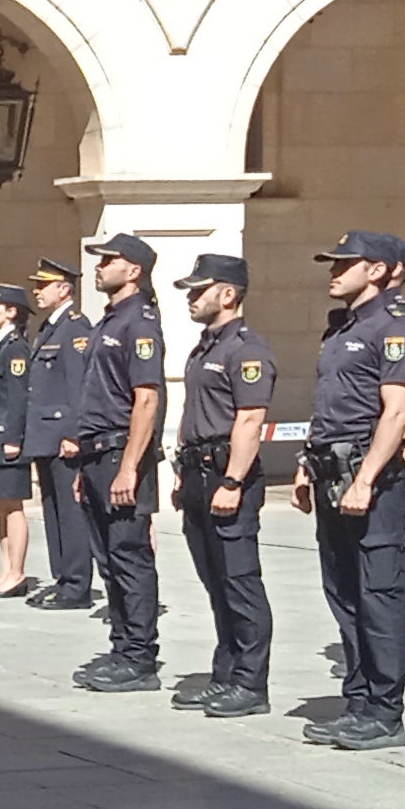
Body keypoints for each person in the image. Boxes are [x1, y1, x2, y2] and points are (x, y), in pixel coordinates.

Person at [292, 232, 405, 747]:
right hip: (330, 471)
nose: (333, 272)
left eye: (344, 263)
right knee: (343, 591)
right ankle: (358, 699)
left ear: (375, 270)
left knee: (379, 593)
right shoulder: (343, 327)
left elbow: (395, 410)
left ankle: (385, 712)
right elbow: (329, 406)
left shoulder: (393, 327)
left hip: (368, 477)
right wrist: (307, 463)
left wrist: (366, 478)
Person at [171, 252, 276, 716]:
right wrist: (179, 468)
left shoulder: (246, 349)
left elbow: (250, 419)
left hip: (225, 473)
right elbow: (192, 413)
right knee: (215, 581)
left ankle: (251, 685)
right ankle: (226, 672)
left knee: (239, 581)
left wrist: (233, 480)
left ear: (228, 294)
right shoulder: (205, 347)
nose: (192, 299)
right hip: (197, 471)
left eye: (200, 290)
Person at [68, 234, 168, 691]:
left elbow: (145, 399)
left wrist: (129, 466)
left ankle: (139, 657)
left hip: (119, 452)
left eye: (109, 260)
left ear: (134, 271)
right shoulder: (110, 319)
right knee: (108, 559)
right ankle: (121, 645)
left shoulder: (140, 323)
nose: (100, 266)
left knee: (129, 556)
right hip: (96, 455)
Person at [22, 256, 97, 612]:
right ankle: (62, 578)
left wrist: (74, 434)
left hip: (63, 436)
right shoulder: (49, 327)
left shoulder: (76, 328)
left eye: (43, 285)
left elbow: (79, 387)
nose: (36, 291)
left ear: (64, 289)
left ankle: (77, 584)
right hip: (44, 434)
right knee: (52, 509)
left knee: (70, 512)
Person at [0, 281, 38, 596]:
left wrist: (14, 437)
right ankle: (6, 569)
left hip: (7, 438)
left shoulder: (15, 347)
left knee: (13, 507)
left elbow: (18, 397)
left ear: (11, 312)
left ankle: (17, 571)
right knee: (2, 505)